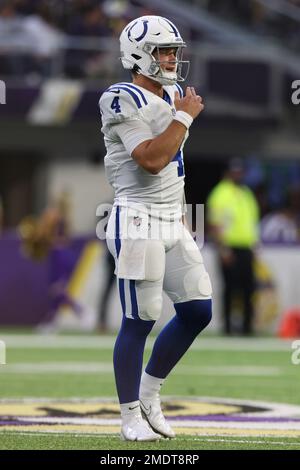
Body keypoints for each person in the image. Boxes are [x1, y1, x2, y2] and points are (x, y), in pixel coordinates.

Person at [99, 15, 212, 441]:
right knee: (140, 318)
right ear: (138, 55)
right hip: (136, 218)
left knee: (198, 310)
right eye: (163, 51)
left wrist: (181, 215)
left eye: (173, 51)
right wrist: (183, 119)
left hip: (171, 218)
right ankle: (129, 416)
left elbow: (171, 172)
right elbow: (150, 159)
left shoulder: (176, 93)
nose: (171, 58)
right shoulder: (119, 97)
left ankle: (149, 393)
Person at [207, 159, 259, 336]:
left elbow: (252, 222)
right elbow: (215, 224)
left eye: (240, 172)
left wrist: (254, 247)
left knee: (248, 288)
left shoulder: (246, 193)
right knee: (230, 288)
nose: (238, 175)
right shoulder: (220, 193)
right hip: (229, 248)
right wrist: (223, 250)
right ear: (227, 173)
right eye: (234, 172)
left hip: (246, 248)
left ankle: (247, 328)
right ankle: (228, 328)